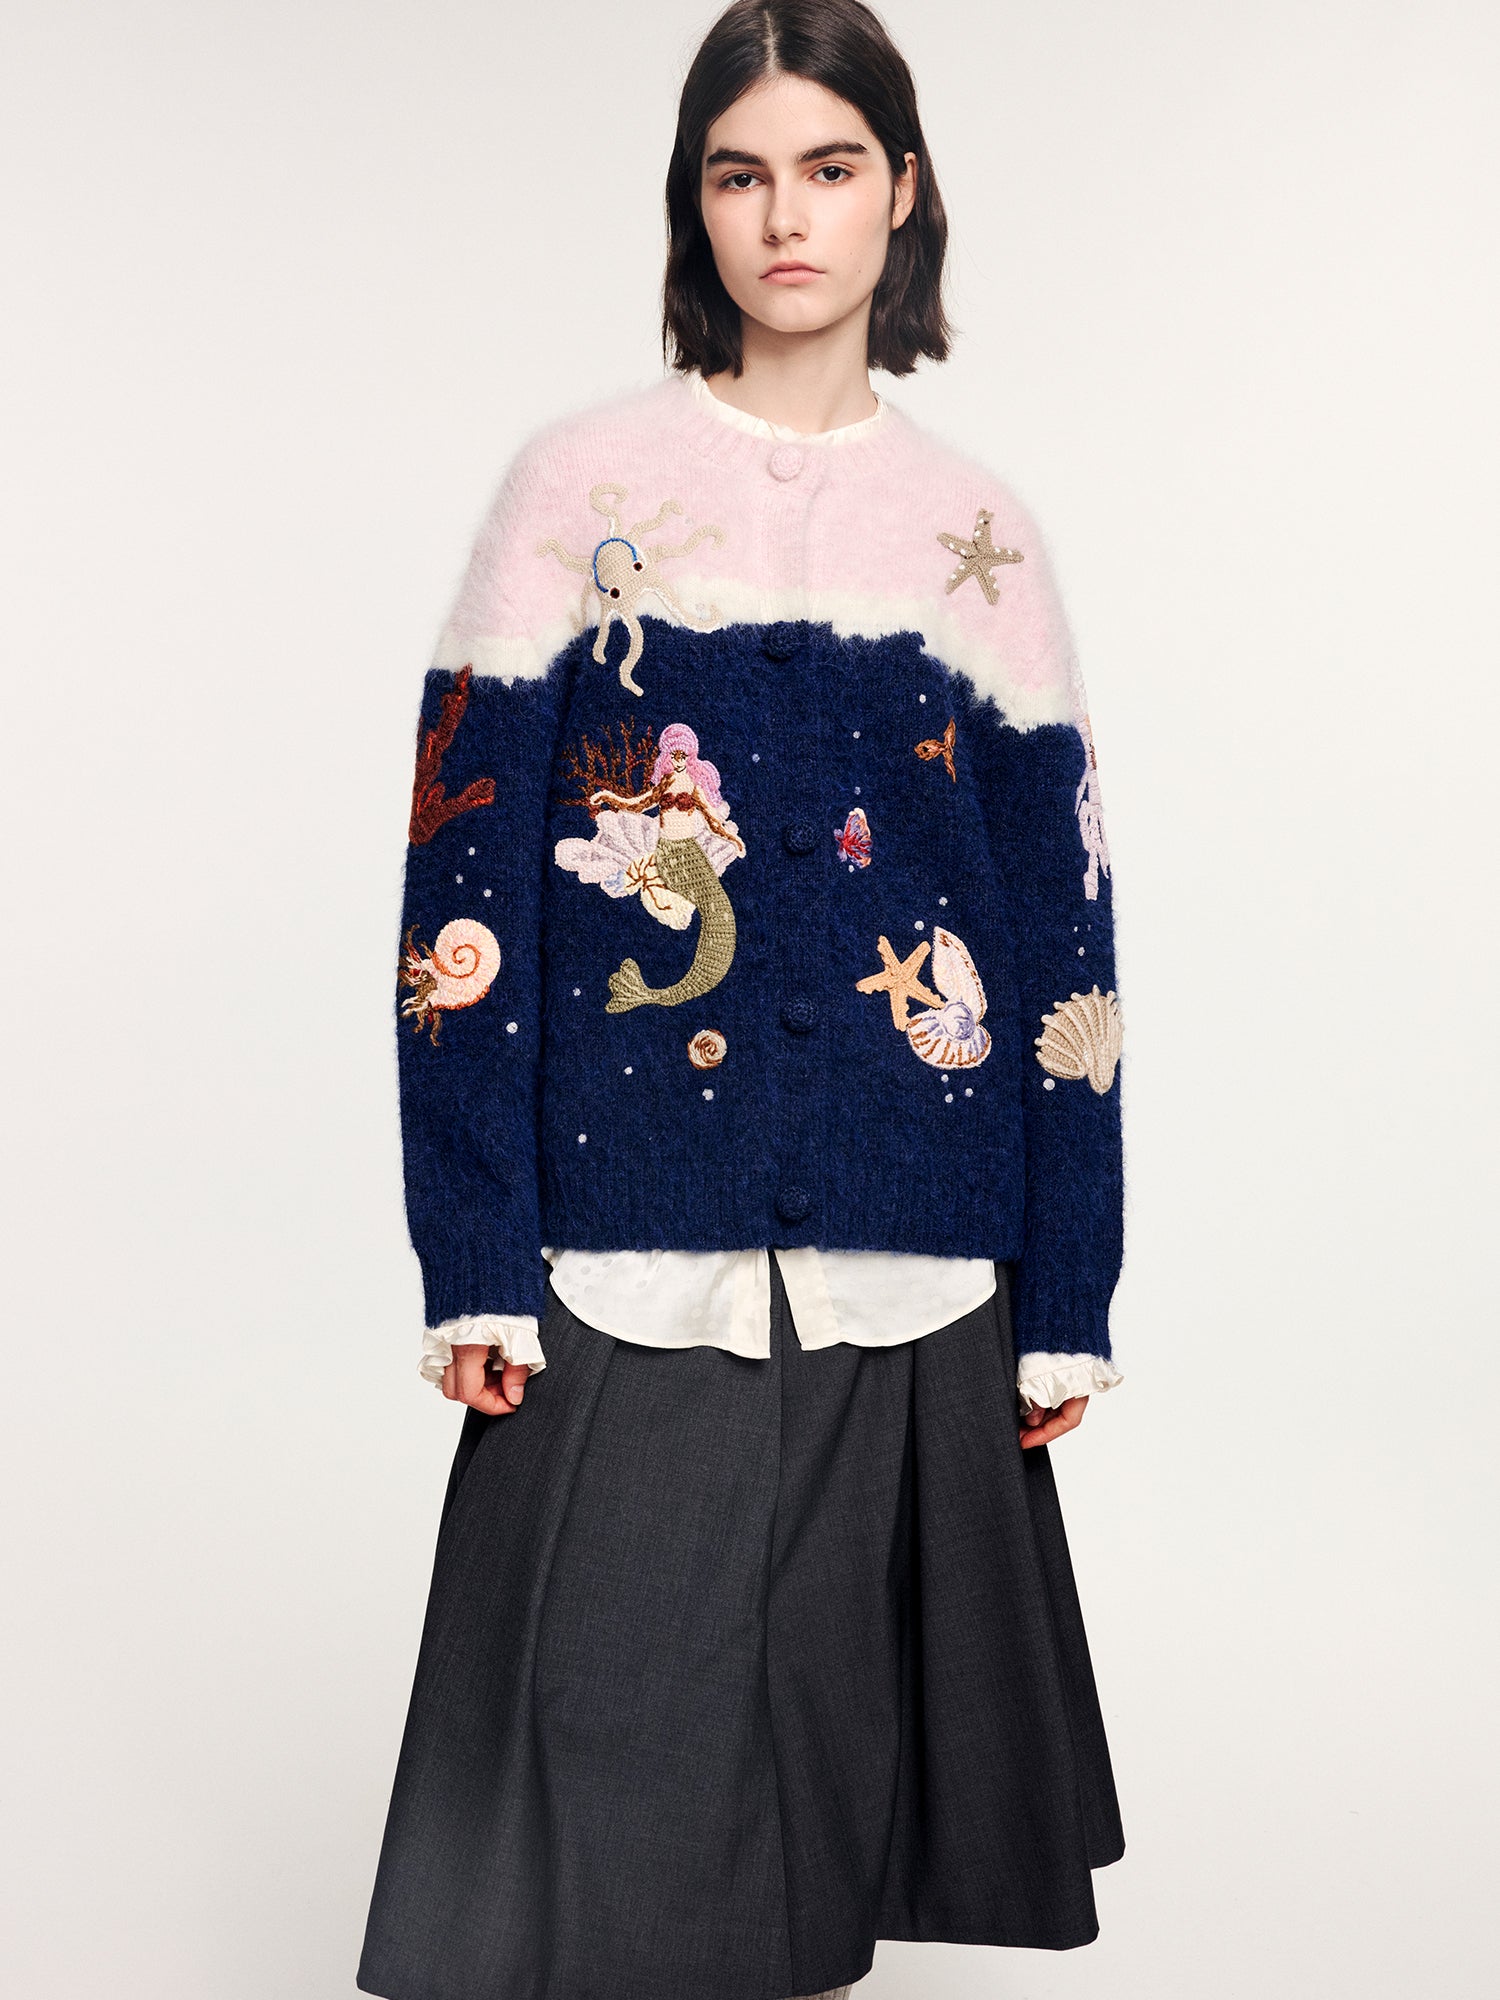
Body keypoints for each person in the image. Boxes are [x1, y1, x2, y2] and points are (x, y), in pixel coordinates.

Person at [359, 4, 1127, 1996]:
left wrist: (1071, 1283)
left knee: (823, 1800)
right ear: (694, 206)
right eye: (740, 172)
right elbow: (460, 887)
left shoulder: (978, 539)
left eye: (830, 166)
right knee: (589, 1793)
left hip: (918, 1251)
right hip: (627, 1236)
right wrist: (473, 1256)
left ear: (904, 191)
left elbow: (1065, 934)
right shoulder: (575, 487)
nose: (786, 216)